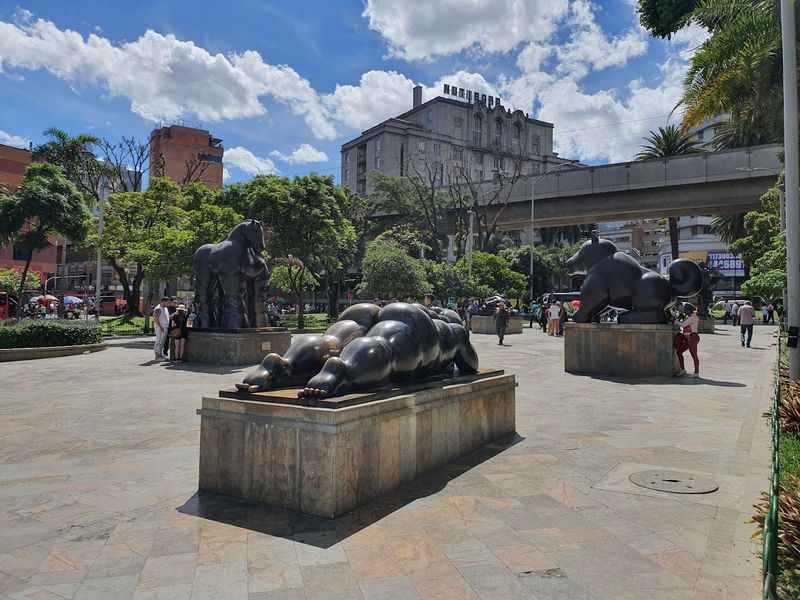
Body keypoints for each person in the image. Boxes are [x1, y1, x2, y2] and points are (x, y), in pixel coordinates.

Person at [675, 303, 700, 377]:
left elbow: (683, 324)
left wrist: (676, 322)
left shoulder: (693, 317)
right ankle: (683, 370)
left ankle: (696, 372)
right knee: (679, 352)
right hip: (687, 337)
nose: (684, 311)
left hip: (692, 337)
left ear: (688, 310)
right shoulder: (689, 316)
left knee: (694, 354)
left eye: (685, 310)